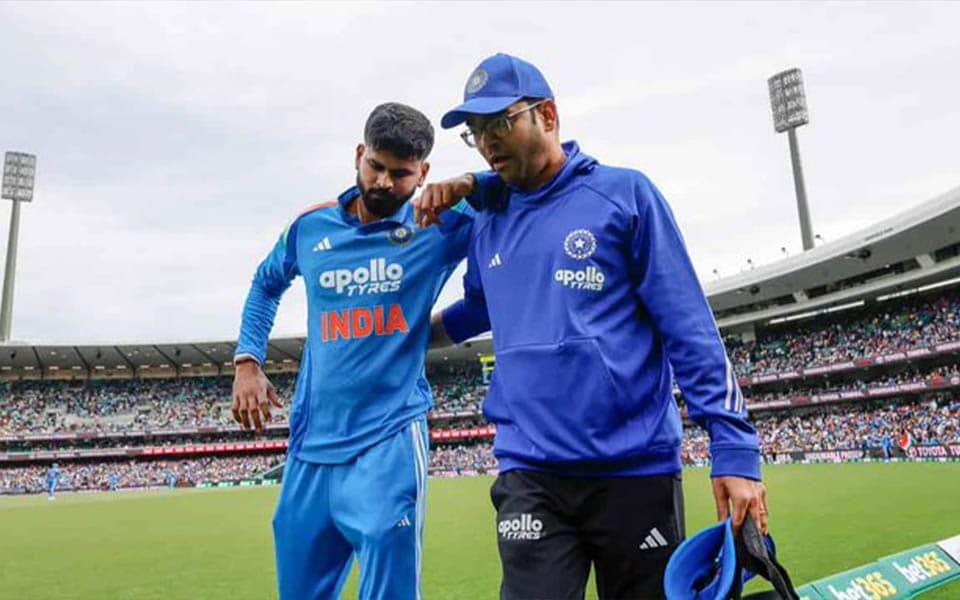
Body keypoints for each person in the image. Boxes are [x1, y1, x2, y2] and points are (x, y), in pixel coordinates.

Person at [417, 53, 768, 600]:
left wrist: (735, 449)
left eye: (500, 123)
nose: (486, 142)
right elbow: (480, 307)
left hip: (634, 470)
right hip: (530, 471)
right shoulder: (488, 221)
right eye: (476, 132)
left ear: (548, 115)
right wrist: (408, 336)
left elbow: (689, 328)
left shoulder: (624, 196)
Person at [232, 103, 472, 600]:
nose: (383, 182)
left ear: (424, 173)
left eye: (401, 174)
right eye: (375, 166)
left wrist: (472, 182)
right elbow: (265, 283)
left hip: (389, 440)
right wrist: (248, 361)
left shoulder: (440, 223)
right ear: (359, 154)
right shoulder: (311, 227)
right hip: (310, 446)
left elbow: (523, 185)